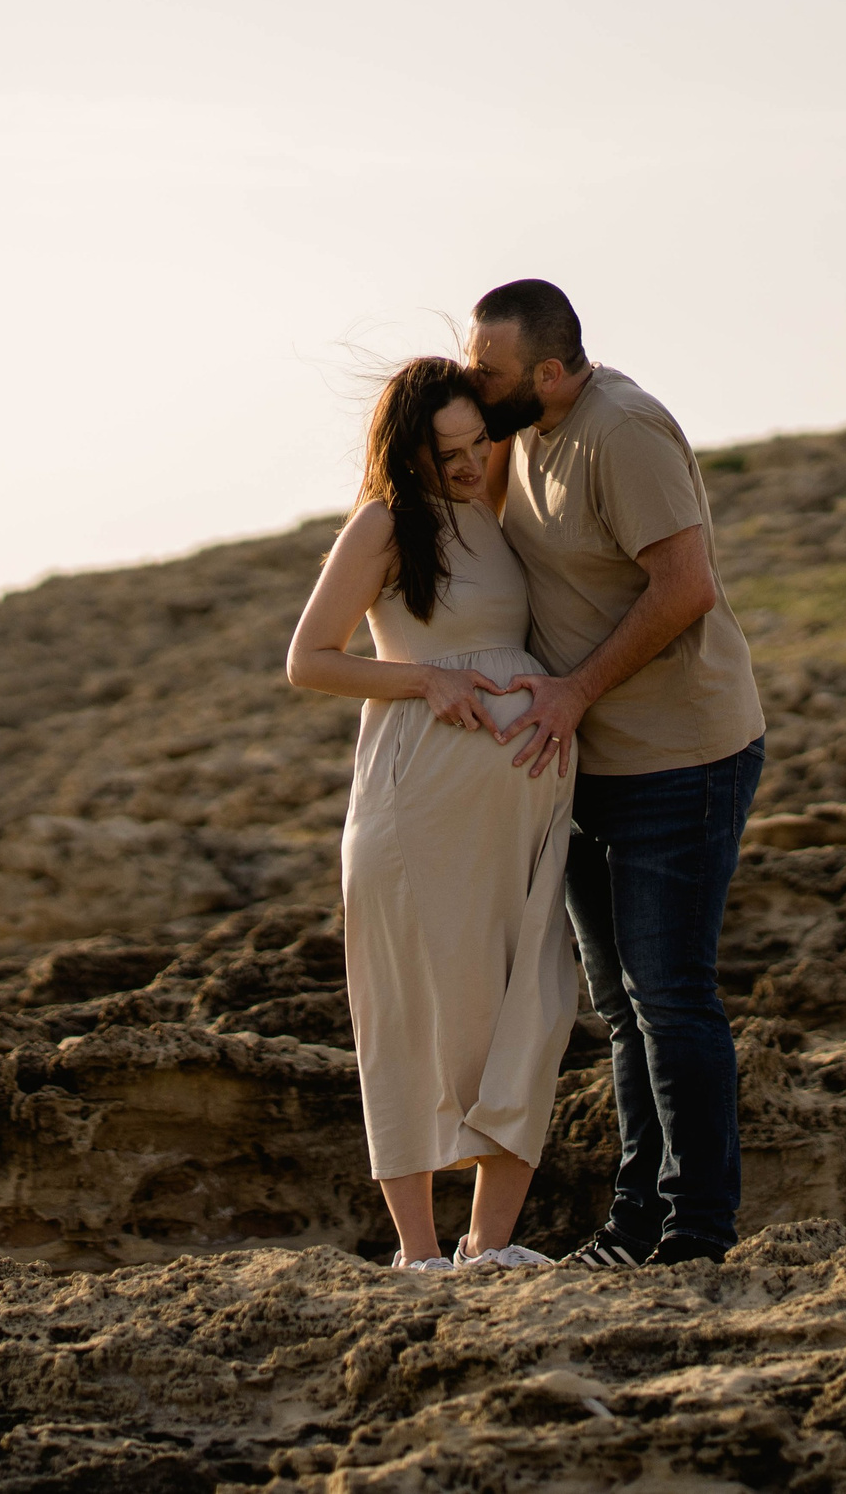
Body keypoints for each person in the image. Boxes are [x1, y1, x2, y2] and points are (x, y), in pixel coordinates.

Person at [466, 278, 768, 1268]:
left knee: (670, 995)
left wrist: (575, 691)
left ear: (551, 373)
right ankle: (634, 1223)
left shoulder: (623, 433)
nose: (478, 383)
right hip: (589, 764)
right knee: (622, 1004)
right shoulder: (524, 433)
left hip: (681, 755)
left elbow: (685, 590)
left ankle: (697, 1234)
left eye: (492, 370)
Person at [287, 357, 580, 1273]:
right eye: (444, 449)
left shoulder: (499, 510)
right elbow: (309, 659)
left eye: (475, 443)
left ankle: (488, 1245)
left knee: (531, 997)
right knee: (408, 1009)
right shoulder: (383, 522)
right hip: (415, 796)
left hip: (521, 801)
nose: (464, 463)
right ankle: (417, 1255)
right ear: (406, 445)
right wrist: (425, 677)